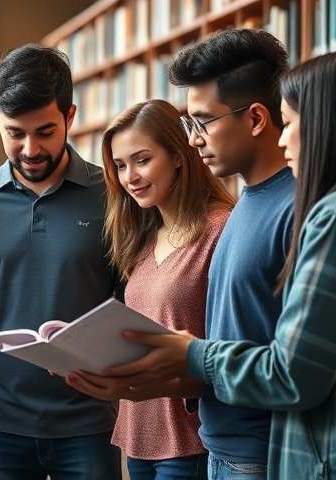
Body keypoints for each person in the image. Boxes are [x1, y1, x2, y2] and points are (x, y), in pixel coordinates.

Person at [101, 49, 336, 479]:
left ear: (328, 123)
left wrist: (193, 355)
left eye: (292, 121)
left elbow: (295, 372)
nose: (284, 139)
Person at [0, 43, 125, 480]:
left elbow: (128, 299)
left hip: (88, 422)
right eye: (14, 132)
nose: (29, 148)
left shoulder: (114, 195)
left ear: (70, 116)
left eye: (44, 131)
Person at [64, 99, 232, 480]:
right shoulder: (141, 237)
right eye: (120, 166)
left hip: (190, 440)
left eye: (142, 160)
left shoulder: (220, 230)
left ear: (178, 155)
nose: (129, 177)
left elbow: (225, 347)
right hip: (137, 437)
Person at [165, 28, 294, 480]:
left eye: (203, 122)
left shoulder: (299, 209)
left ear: (256, 118)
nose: (193, 139)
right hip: (220, 443)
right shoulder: (243, 201)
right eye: (189, 125)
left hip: (263, 454)